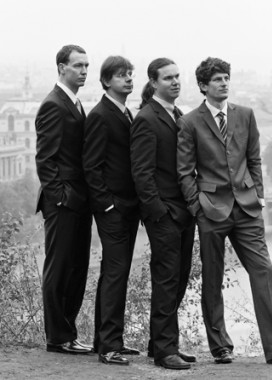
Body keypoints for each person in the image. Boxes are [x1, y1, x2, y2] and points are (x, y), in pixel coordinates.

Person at [177, 57, 272, 366]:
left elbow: (254, 159)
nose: (224, 83)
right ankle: (221, 347)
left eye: (226, 78)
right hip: (211, 210)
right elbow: (184, 172)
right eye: (217, 79)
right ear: (203, 86)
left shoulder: (246, 115)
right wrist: (198, 208)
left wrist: (259, 196)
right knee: (213, 278)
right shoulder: (190, 122)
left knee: (263, 270)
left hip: (247, 209)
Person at [130, 58, 196, 370]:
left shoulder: (177, 114)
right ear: (154, 83)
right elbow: (141, 173)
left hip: (184, 212)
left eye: (177, 76)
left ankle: (162, 345)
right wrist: (159, 213)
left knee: (179, 279)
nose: (175, 82)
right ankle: (165, 351)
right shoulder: (147, 118)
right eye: (168, 78)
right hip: (166, 215)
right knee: (167, 281)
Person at [35, 44, 93, 355]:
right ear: (61, 68)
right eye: (78, 65)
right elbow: (45, 160)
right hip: (63, 202)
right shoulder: (53, 105)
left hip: (77, 200)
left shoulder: (73, 102)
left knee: (75, 268)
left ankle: (68, 334)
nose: (84, 71)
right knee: (59, 269)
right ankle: (58, 337)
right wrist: (60, 198)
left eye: (86, 65)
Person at [83, 56, 140, 365]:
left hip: (125, 207)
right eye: (121, 75)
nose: (128, 79)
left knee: (112, 273)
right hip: (113, 209)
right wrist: (107, 205)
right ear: (106, 81)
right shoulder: (101, 115)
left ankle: (104, 340)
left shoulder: (125, 113)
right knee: (116, 274)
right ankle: (109, 347)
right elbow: (91, 167)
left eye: (130, 74)